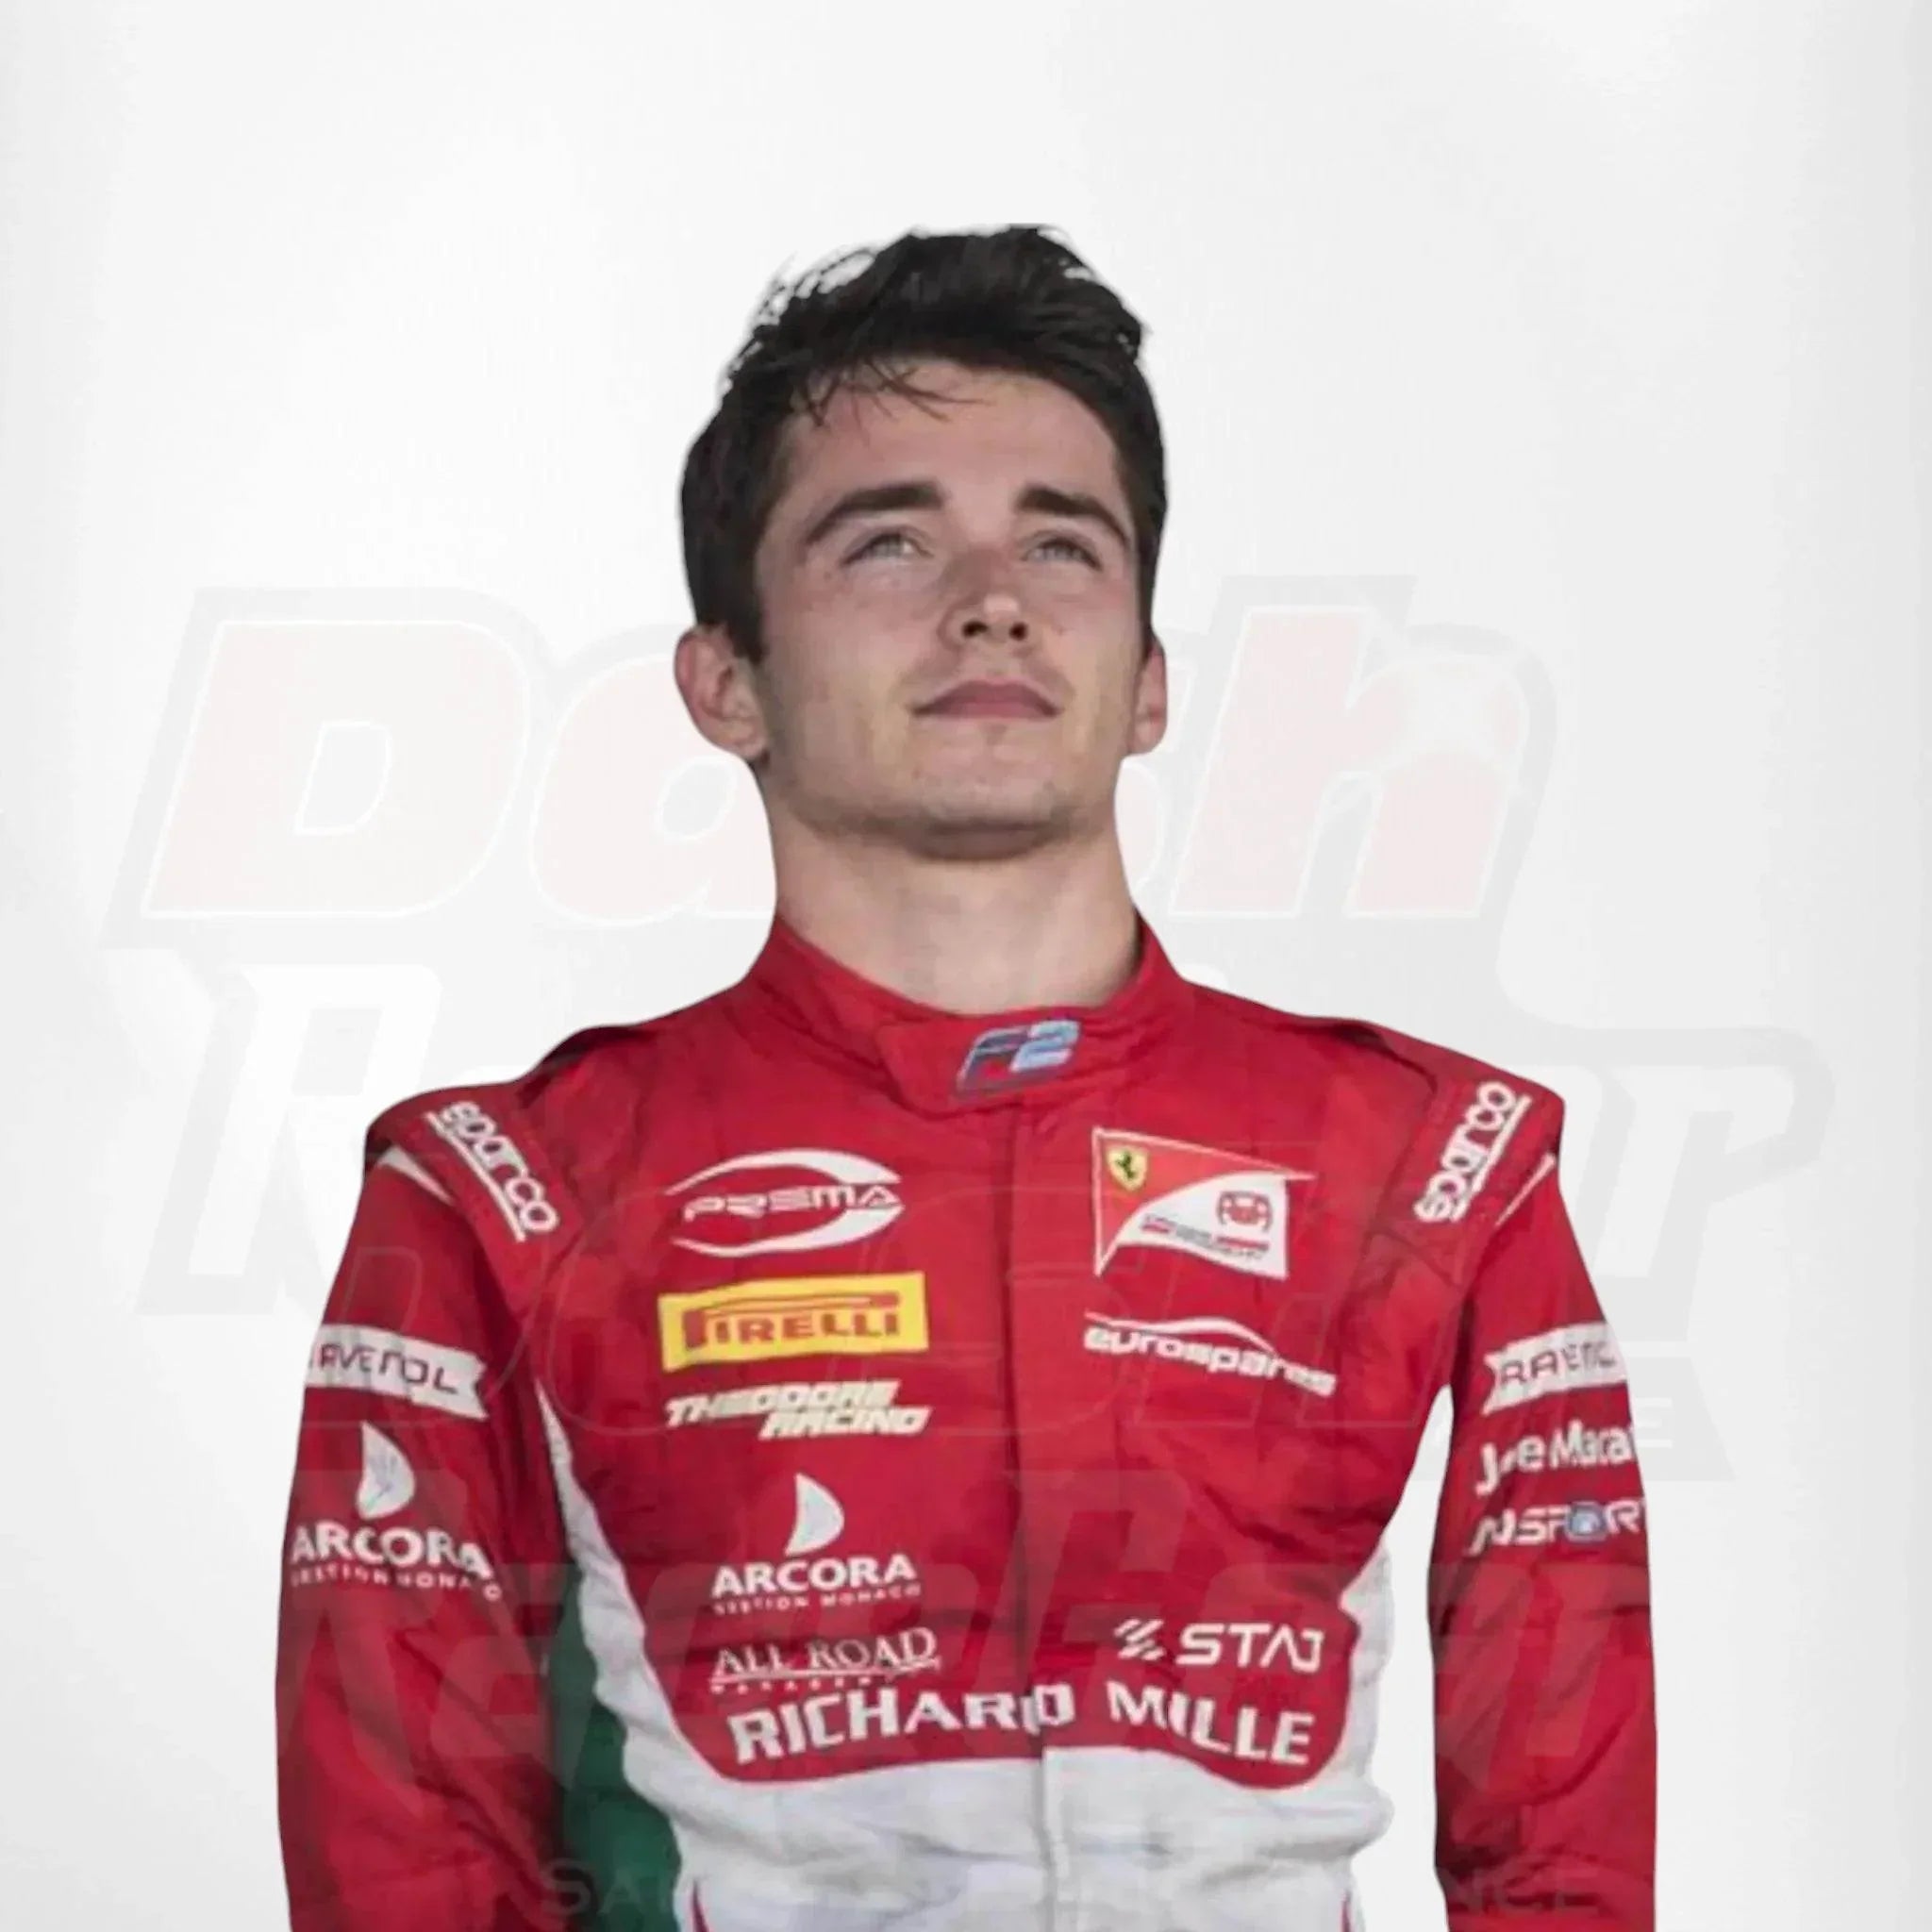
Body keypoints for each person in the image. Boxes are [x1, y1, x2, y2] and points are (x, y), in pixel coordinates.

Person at [275, 225, 1656, 1932]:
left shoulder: (1438, 1166)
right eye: (890, 541)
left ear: (1148, 684)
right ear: (727, 683)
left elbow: (1567, 1852)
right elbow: (404, 1850)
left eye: (1062, 544)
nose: (992, 597)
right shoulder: (500, 1195)